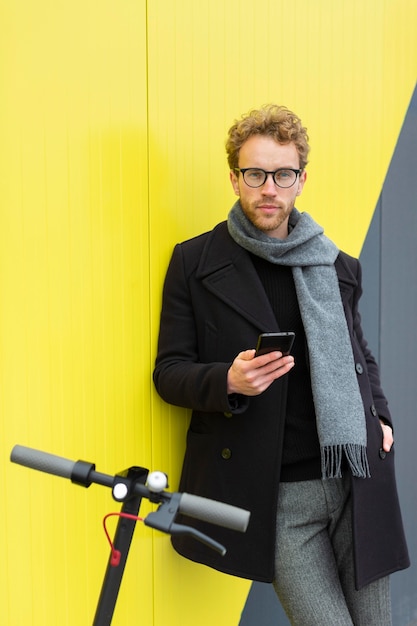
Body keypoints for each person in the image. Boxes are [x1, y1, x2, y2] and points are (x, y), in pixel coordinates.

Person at [153, 104, 409, 625]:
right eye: (255, 174)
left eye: (283, 174)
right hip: (276, 496)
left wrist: (380, 417)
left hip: (355, 477)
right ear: (234, 178)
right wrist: (226, 379)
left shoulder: (335, 263)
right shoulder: (195, 262)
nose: (269, 188)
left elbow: (359, 353)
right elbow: (169, 370)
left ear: (301, 179)